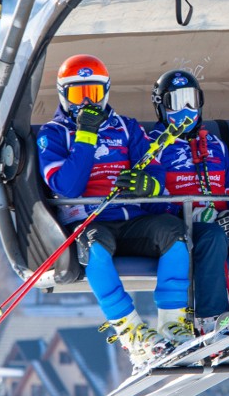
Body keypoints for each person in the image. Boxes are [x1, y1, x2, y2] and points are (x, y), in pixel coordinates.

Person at [37, 55, 192, 373]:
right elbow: (67, 185)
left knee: (175, 234)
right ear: (64, 95)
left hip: (131, 218)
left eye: (93, 94)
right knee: (95, 252)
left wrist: (145, 184)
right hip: (91, 219)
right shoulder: (53, 134)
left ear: (106, 92)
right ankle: (133, 334)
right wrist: (86, 136)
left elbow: (155, 172)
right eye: (79, 95)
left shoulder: (126, 127)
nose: (87, 103)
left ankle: (173, 325)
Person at [149, 69, 229, 344]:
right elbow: (152, 197)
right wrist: (189, 214)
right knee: (211, 236)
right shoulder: (154, 145)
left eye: (192, 100)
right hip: (185, 230)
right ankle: (211, 319)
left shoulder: (215, 145)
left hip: (222, 225)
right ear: (162, 106)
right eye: (177, 102)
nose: (187, 109)